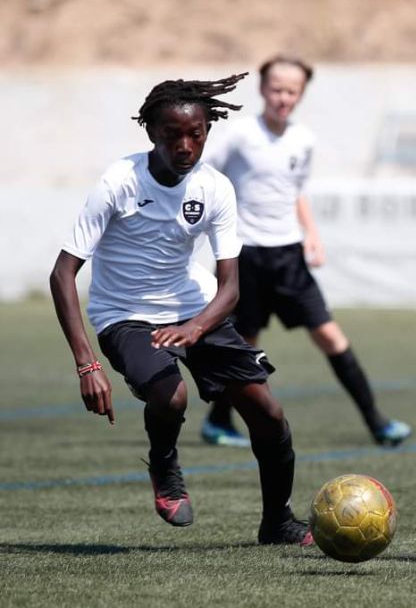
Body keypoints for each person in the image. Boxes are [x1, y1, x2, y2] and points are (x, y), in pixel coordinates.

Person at [49, 74, 313, 546]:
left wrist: (195, 327)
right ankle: (165, 466)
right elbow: (63, 273)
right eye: (173, 135)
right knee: (171, 397)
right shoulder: (118, 181)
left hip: (194, 311)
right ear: (152, 132)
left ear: (208, 131)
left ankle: (277, 521)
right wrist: (86, 363)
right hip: (124, 315)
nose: (186, 145)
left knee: (268, 414)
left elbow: (230, 288)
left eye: (197, 134)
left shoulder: (215, 188)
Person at [198, 55, 412, 449]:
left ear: (301, 95)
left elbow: (295, 191)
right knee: (243, 344)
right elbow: (202, 175)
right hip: (245, 257)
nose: (283, 98)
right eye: (277, 89)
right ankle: (218, 422)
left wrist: (311, 233)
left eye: (292, 91)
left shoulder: (302, 140)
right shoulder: (240, 135)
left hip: (289, 257)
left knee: (331, 336)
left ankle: (377, 423)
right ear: (263, 89)